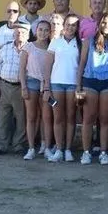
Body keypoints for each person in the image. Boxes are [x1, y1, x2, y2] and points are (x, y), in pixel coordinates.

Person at [76, 11, 108, 165]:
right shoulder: (89, 41)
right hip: (90, 82)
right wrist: (78, 84)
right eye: (104, 23)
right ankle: (86, 152)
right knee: (88, 118)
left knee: (105, 119)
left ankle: (103, 152)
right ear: (99, 24)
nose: (106, 26)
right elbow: (82, 63)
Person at [44, 14, 81, 163]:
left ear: (77, 28)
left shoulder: (80, 43)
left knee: (71, 117)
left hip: (73, 84)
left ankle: (68, 150)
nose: (70, 27)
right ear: (63, 25)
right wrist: (47, 86)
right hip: (56, 83)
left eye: (73, 25)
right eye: (68, 24)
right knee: (58, 117)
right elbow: (48, 65)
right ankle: (59, 149)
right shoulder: (55, 42)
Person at [0, 22, 30, 155]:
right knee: (3, 117)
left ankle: (18, 145)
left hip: (20, 87)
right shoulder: (5, 48)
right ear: (13, 34)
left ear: (27, 35)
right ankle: (1, 145)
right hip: (4, 85)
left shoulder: (30, 49)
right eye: (17, 32)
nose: (19, 34)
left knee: (21, 118)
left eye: (22, 33)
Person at [20, 20, 51, 159]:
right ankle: (31, 148)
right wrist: (23, 86)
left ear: (50, 32)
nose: (43, 33)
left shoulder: (52, 47)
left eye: (46, 30)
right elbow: (21, 69)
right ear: (35, 31)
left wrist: (48, 86)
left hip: (46, 85)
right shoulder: (29, 46)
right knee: (31, 117)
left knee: (46, 117)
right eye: (40, 29)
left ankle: (46, 146)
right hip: (31, 83)